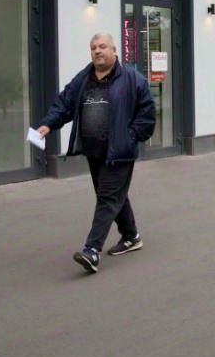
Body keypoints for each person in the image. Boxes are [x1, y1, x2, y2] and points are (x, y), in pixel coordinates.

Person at [37, 33, 156, 274]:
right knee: (113, 195)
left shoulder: (132, 79)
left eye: (102, 46)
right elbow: (64, 104)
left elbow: (147, 114)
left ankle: (91, 250)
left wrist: (130, 136)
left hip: (119, 151)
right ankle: (131, 236)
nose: (97, 51)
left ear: (114, 50)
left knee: (107, 197)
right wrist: (48, 124)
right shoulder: (83, 78)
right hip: (94, 151)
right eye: (93, 48)